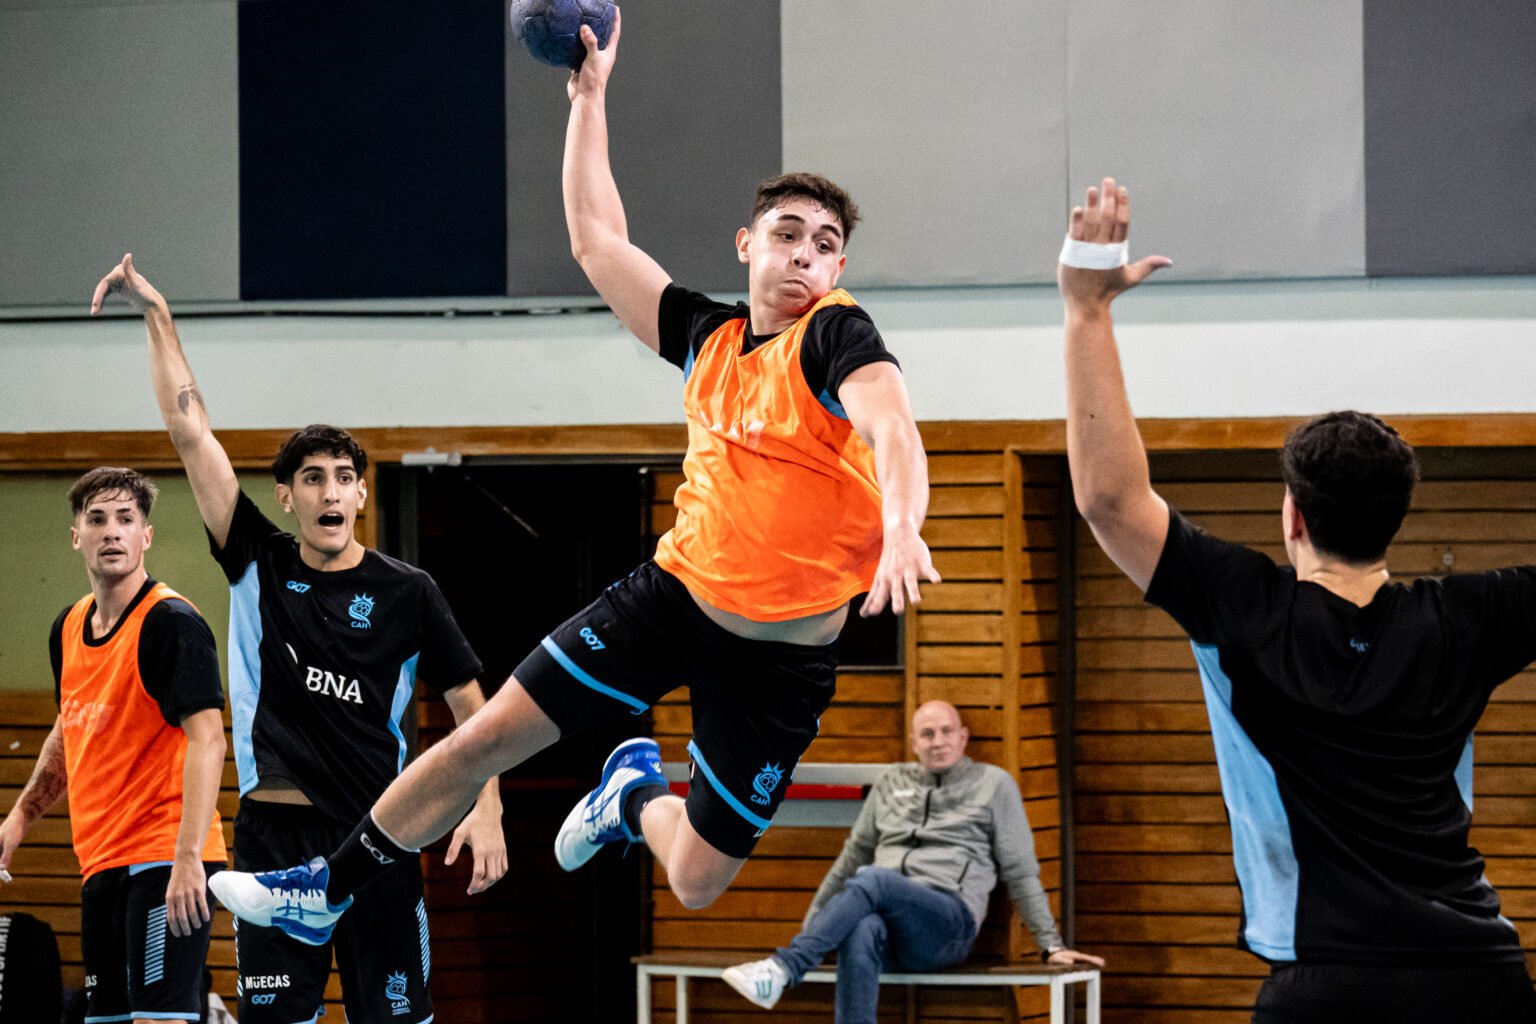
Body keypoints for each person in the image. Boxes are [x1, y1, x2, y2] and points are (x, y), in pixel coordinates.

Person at [202, 6, 939, 947]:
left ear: (839, 269)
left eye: (825, 243)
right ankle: (328, 888)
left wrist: (906, 526)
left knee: (703, 881)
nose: (804, 254)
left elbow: (892, 422)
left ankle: (631, 799)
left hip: (783, 658)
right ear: (747, 246)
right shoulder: (707, 340)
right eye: (787, 233)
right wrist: (588, 99)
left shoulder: (835, 333)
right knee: (485, 739)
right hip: (674, 596)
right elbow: (598, 241)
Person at [1057, 176, 1536, 1022]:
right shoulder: (1470, 619)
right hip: (1478, 974)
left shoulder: (1244, 608)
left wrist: (1086, 310)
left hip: (1325, 984)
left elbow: (1107, 501)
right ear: (1399, 516)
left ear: (1292, 515)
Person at [89, 257, 508, 1024]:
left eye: (343, 476)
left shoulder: (409, 591)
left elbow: (473, 709)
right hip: (276, 840)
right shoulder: (257, 559)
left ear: (360, 493)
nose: (329, 491)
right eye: (311, 478)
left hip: (381, 834)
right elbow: (190, 429)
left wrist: (488, 806)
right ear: (286, 497)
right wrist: (156, 313)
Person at [0, 467, 227, 1024]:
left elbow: (210, 740)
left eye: (126, 519)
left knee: (160, 1021)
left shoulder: (172, 622)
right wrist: (19, 818)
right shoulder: (68, 626)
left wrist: (187, 860)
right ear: (76, 534)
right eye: (97, 519)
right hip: (100, 863)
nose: (112, 531)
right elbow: (69, 725)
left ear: (146, 535)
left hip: (164, 859)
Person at [721, 701, 1102, 1019]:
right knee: (861, 926)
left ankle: (784, 968)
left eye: (947, 731)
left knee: (875, 879)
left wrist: (1049, 944)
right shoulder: (892, 782)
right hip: (889, 930)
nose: (939, 742)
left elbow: (1020, 870)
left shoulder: (993, 784)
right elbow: (851, 857)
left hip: (948, 925)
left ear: (963, 737)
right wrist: (820, 928)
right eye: (928, 734)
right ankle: (791, 968)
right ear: (913, 742)